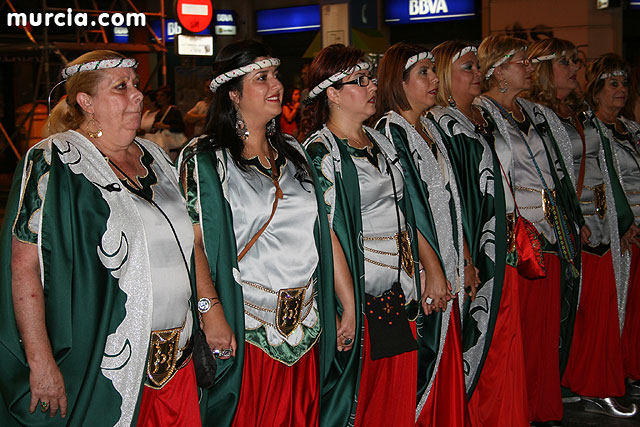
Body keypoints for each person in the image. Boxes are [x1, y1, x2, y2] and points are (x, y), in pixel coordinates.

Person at [0, 50, 201, 426]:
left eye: (136, 85)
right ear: (86, 101)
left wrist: (211, 308)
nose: (138, 95)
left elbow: (192, 243)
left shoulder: (157, 156)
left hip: (178, 359)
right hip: (102, 362)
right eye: (121, 87)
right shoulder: (54, 162)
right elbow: (24, 267)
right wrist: (41, 362)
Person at [178, 40, 337, 427]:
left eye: (276, 75)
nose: (276, 85)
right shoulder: (206, 157)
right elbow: (193, 242)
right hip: (246, 326)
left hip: (307, 326)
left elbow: (322, 233)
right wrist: (210, 311)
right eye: (261, 78)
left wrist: (344, 305)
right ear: (233, 94)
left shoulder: (296, 153)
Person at [304, 43, 451, 426]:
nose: (372, 87)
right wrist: (348, 304)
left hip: (398, 291)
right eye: (360, 81)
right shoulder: (320, 152)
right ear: (332, 93)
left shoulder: (381, 142)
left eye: (371, 78)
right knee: (360, 399)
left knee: (396, 394)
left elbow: (407, 212)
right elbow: (326, 233)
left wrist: (431, 268)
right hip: (359, 294)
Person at [526, 38, 639, 418]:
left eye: (576, 62)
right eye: (567, 63)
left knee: (602, 309)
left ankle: (596, 382)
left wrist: (622, 218)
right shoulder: (535, 115)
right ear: (545, 69)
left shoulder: (578, 111)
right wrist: (565, 217)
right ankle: (588, 384)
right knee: (583, 310)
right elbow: (539, 175)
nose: (576, 69)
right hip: (567, 226)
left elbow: (606, 165)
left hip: (599, 223)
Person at [477, 34, 584, 427]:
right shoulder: (480, 114)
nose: (529, 67)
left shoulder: (536, 113)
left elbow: (558, 172)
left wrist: (572, 219)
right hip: (515, 236)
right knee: (517, 328)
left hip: (551, 230)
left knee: (544, 325)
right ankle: (517, 406)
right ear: (498, 70)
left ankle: (542, 403)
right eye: (521, 61)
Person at [428, 40, 529, 426]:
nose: (478, 74)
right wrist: (466, 256)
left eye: (477, 67)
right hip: (475, 245)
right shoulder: (443, 125)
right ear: (444, 76)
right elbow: (449, 198)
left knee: (507, 336)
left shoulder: (485, 115)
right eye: (467, 68)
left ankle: (508, 415)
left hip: (504, 239)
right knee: (483, 333)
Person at [374, 42, 474, 426]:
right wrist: (433, 271)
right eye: (424, 73)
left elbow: (453, 201)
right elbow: (408, 206)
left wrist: (464, 256)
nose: (435, 80)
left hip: (448, 255)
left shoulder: (429, 127)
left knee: (447, 351)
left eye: (434, 72)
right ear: (398, 82)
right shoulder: (390, 131)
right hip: (420, 265)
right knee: (425, 357)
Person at [586, 53, 640, 400]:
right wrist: (623, 222)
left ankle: (632, 368)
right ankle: (611, 373)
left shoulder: (633, 130)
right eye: (612, 84)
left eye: (623, 84)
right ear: (596, 90)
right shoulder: (589, 131)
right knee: (614, 306)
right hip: (612, 231)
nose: (620, 90)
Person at [147, 85, 186, 159]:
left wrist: (164, 126)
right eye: (157, 96)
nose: (159, 98)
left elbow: (181, 127)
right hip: (163, 146)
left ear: (168, 97)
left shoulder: (174, 111)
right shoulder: (159, 113)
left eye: (162, 95)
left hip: (172, 147)